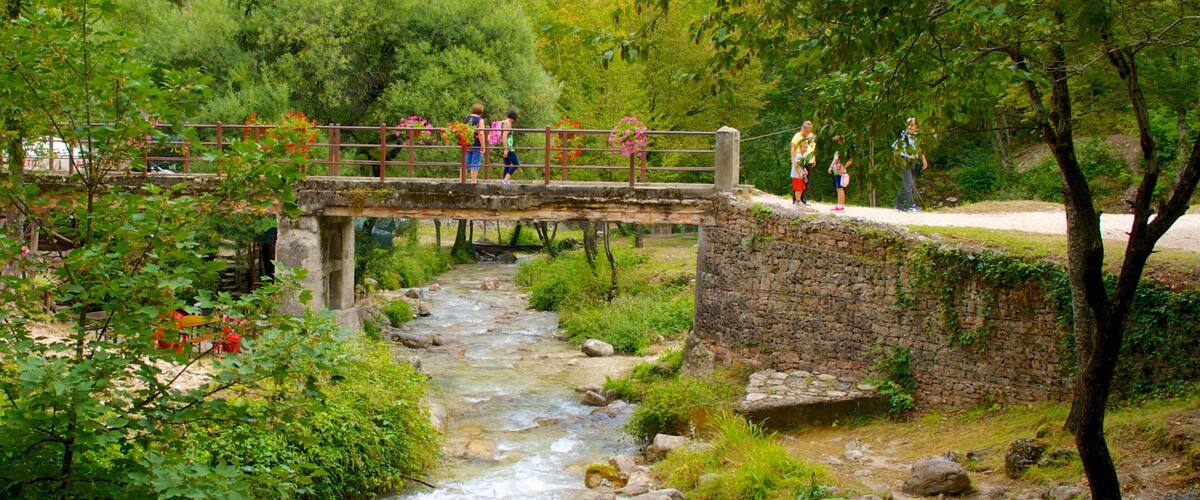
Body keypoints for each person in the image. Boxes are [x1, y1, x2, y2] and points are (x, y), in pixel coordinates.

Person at [893, 117, 928, 212]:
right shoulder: (903, 136)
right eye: (909, 124)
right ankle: (911, 205)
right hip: (904, 160)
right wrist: (896, 160)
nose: (910, 127)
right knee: (909, 183)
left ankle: (899, 205)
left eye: (912, 125)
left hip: (912, 161)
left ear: (916, 126)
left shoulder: (916, 137)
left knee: (908, 183)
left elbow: (919, 149)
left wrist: (924, 160)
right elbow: (895, 148)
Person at [790, 121, 816, 205]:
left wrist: (814, 158)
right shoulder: (797, 136)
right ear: (803, 129)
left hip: (809, 160)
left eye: (809, 131)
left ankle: (803, 199)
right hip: (800, 160)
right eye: (807, 131)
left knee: (806, 182)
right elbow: (793, 148)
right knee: (798, 181)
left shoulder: (811, 136)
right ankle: (796, 200)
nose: (808, 133)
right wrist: (793, 160)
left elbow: (813, 148)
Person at [828, 134, 853, 212]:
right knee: (838, 188)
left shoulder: (845, 151)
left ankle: (841, 206)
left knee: (840, 188)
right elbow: (834, 160)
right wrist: (830, 167)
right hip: (836, 171)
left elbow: (850, 160)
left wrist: (843, 168)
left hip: (841, 172)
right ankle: (839, 205)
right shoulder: (837, 152)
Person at [465, 103, 486, 183]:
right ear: (481, 111)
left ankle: (462, 179)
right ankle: (473, 181)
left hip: (467, 143)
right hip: (476, 144)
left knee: (465, 162)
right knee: (475, 162)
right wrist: (483, 146)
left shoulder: (467, 118)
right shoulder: (480, 120)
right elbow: (481, 133)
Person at [500, 109, 519, 185]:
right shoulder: (507, 124)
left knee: (507, 165)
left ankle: (504, 181)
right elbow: (504, 136)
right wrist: (506, 149)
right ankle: (505, 179)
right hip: (508, 147)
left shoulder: (503, 122)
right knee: (516, 164)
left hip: (504, 146)